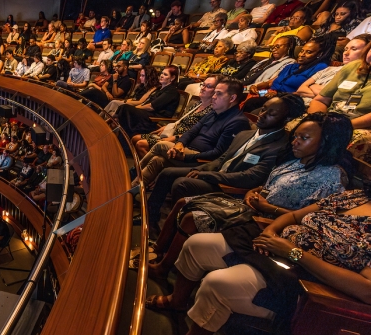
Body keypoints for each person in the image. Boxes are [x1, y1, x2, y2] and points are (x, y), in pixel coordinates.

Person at [144, 184, 371, 335]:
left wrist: (294, 253)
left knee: (218, 284)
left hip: (301, 275)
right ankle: (177, 300)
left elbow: (366, 289)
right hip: (274, 246)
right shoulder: (354, 197)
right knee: (197, 244)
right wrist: (270, 232)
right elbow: (294, 216)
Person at [146, 111, 352, 277]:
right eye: (296, 136)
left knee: (192, 216)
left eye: (304, 138)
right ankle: (160, 251)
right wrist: (253, 192)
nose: (295, 142)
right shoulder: (296, 161)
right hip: (250, 208)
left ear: (327, 141)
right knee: (183, 201)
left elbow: (314, 221)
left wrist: (268, 208)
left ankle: (164, 267)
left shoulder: (331, 177)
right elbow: (266, 185)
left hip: (269, 224)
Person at [145, 93, 305, 233]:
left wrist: (207, 175)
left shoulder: (280, 145)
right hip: (217, 175)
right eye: (263, 109)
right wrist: (199, 170)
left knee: (182, 183)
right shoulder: (245, 134)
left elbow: (252, 177)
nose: (262, 115)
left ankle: (173, 229)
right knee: (168, 172)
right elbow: (222, 160)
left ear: (287, 119)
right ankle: (150, 219)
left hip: (231, 188)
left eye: (271, 114)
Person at [308, 41, 371, 160]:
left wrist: (341, 126)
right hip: (330, 117)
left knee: (346, 139)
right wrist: (319, 121)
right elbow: (320, 100)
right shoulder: (352, 67)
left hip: (360, 125)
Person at [244, 35, 335, 112]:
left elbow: (306, 91)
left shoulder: (319, 68)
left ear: (319, 54)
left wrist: (278, 95)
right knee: (243, 94)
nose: (301, 54)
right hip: (269, 93)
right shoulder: (292, 66)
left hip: (287, 99)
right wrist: (256, 87)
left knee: (252, 103)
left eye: (309, 52)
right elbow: (271, 82)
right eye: (302, 51)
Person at [295, 34, 371, 105]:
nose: (346, 53)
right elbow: (300, 89)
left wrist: (312, 86)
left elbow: (338, 98)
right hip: (299, 103)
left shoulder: (361, 75)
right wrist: (326, 95)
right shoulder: (329, 69)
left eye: (354, 49)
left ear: (367, 52)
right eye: (345, 49)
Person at [114, 65, 181, 137]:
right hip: (148, 114)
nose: (161, 76)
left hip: (154, 119)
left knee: (125, 108)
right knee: (124, 108)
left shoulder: (171, 91)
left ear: (173, 78)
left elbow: (151, 106)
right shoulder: (160, 88)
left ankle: (120, 137)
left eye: (165, 74)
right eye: (162, 73)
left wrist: (136, 108)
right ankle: (115, 133)